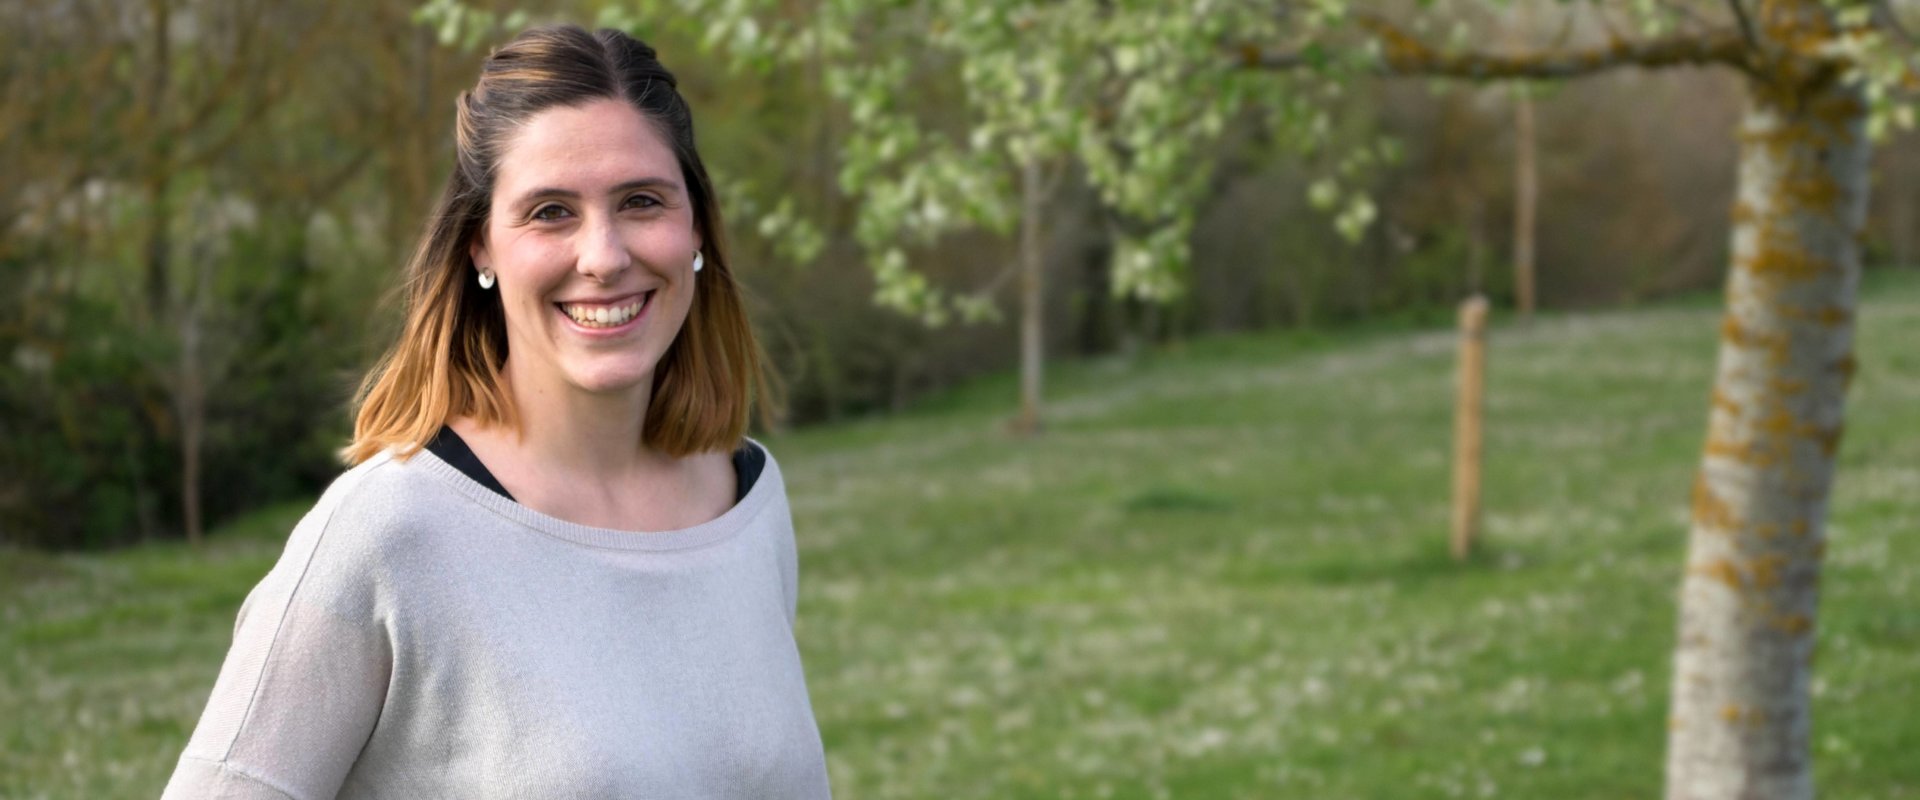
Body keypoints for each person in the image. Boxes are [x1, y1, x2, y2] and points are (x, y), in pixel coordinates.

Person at [161, 25, 831, 799]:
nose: (605, 255)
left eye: (641, 201)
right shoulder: (387, 532)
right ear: (481, 246)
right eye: (551, 212)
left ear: (698, 229)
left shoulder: (748, 498)